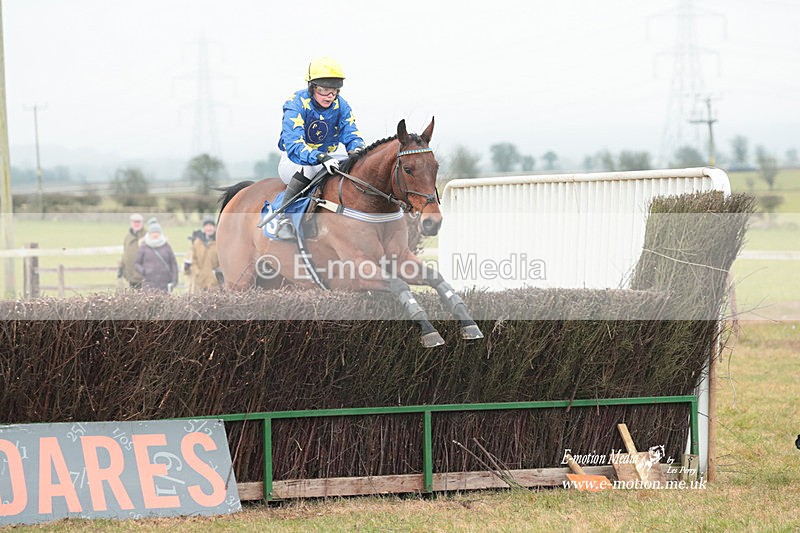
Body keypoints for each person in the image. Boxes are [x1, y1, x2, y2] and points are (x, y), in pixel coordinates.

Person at [274, 56, 367, 239]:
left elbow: (351, 133)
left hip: (328, 157)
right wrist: (320, 157)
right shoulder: (295, 103)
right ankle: (283, 219)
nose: (330, 96)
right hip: (296, 160)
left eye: (334, 91)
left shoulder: (341, 105)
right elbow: (294, 145)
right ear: (312, 87)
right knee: (307, 169)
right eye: (324, 90)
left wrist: (357, 150)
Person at [134, 222, 179, 293]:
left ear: (160, 233)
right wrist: (143, 271)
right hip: (148, 283)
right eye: (153, 232)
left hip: (164, 283)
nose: (155, 234)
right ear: (149, 233)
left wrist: (174, 280)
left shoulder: (166, 246)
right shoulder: (144, 247)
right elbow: (137, 263)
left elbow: (173, 264)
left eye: (157, 232)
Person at [184, 217, 220, 293]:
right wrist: (198, 273)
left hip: (215, 283)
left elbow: (223, 261)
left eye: (211, 226)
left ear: (215, 228)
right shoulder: (198, 242)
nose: (209, 228)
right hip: (200, 283)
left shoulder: (219, 242)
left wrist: (217, 274)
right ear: (204, 228)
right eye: (207, 226)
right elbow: (194, 260)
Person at [118, 213, 146, 289]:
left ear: (142, 223)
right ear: (131, 223)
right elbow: (125, 253)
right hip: (130, 274)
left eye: (138, 222)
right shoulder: (128, 236)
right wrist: (121, 267)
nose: (136, 224)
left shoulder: (146, 236)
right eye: (134, 222)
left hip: (142, 276)